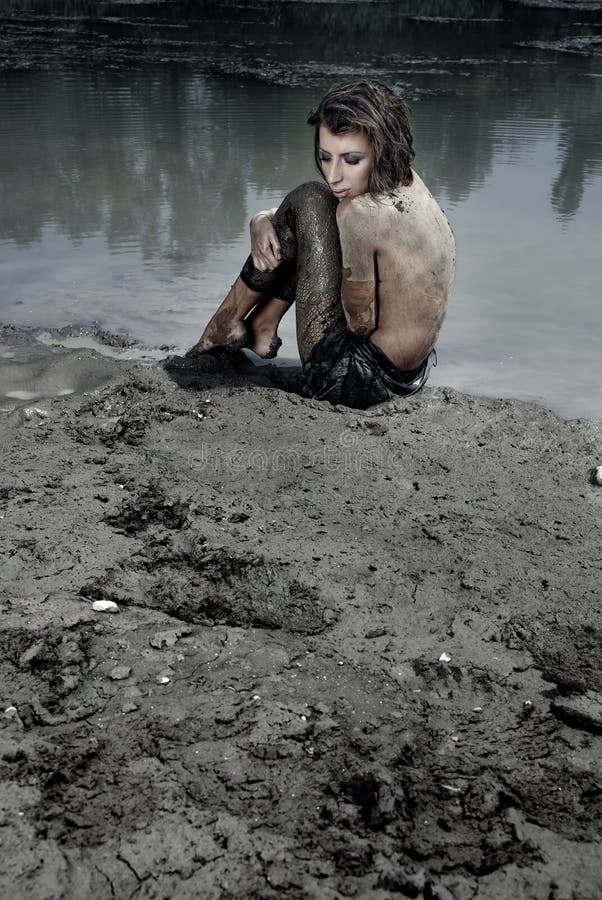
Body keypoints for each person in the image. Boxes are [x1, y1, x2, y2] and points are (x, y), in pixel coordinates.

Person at [188, 79, 455, 410]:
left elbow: (360, 323)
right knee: (313, 207)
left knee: (310, 196)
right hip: (410, 377)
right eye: (325, 157)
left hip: (356, 381)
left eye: (351, 159)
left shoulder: (360, 213)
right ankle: (258, 325)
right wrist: (262, 219)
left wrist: (280, 225)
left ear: (382, 151)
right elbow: (320, 231)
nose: (334, 175)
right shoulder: (409, 185)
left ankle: (223, 329)